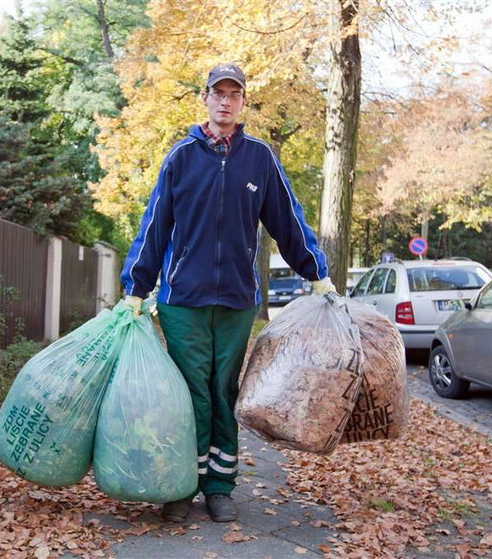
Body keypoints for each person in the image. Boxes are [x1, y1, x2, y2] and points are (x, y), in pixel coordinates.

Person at [120, 62, 337, 523]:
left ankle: (219, 486)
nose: (225, 100)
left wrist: (316, 272)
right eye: (217, 92)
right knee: (189, 393)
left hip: (238, 300)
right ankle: (180, 485)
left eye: (233, 94)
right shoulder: (181, 157)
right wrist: (136, 287)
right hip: (182, 301)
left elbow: (288, 220)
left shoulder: (259, 158)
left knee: (223, 390)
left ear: (242, 103)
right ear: (205, 98)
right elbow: (154, 226)